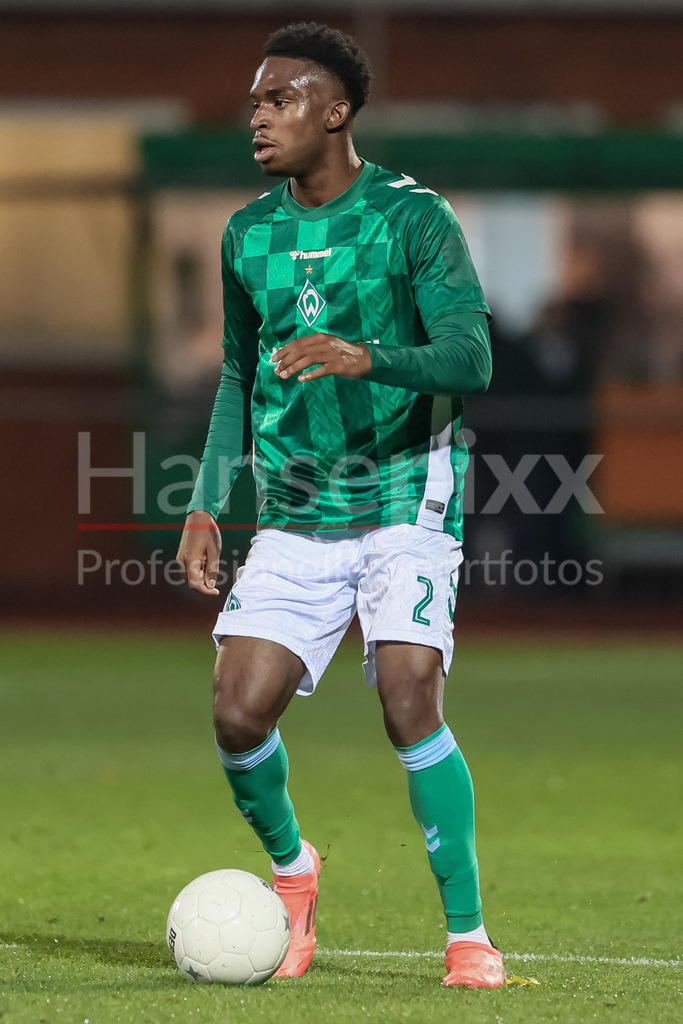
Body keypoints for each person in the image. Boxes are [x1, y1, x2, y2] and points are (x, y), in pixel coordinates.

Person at [176, 21, 506, 989]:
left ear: (336, 110)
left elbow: (471, 358)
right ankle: (293, 872)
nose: (258, 118)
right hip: (295, 506)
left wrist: (378, 357)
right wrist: (205, 504)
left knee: (408, 693)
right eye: (253, 103)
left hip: (406, 489)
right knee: (237, 715)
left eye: (278, 100)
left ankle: (465, 935)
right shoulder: (249, 235)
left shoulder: (411, 218)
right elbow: (239, 376)